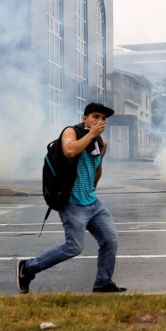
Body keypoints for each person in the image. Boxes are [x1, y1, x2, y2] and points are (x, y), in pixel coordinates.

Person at [16, 103, 126, 294]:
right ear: (85, 118)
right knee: (73, 247)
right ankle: (28, 267)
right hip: (72, 203)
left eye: (103, 118)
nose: (99, 121)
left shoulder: (102, 143)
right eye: (95, 116)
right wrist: (91, 134)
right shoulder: (71, 132)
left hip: (92, 202)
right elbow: (69, 151)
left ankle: (103, 283)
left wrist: (93, 187)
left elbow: (97, 167)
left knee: (110, 239)